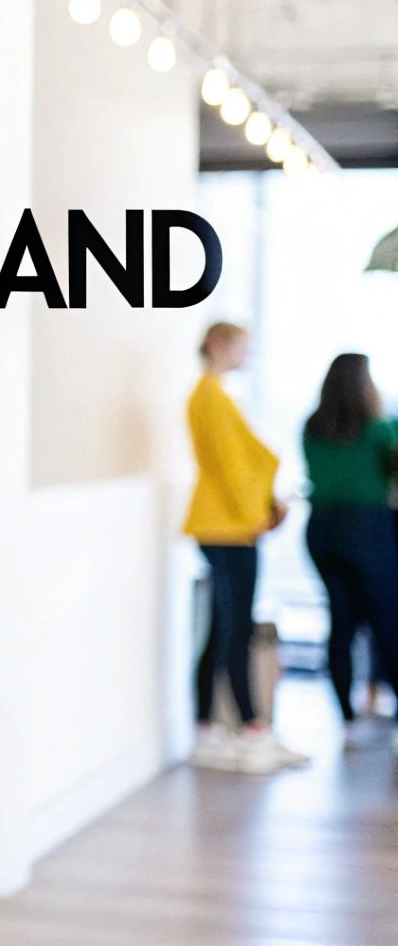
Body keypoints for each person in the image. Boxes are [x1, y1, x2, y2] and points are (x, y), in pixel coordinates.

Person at [182, 322, 307, 773]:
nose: (246, 357)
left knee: (221, 628)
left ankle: (212, 730)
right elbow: (231, 467)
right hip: (230, 527)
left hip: (227, 524)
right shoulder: (210, 397)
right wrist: (260, 514)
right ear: (218, 345)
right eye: (241, 348)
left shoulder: (213, 396)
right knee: (234, 628)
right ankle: (253, 728)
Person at [300, 353, 398, 747]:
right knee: (386, 620)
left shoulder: (311, 426)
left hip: (322, 529)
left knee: (340, 621)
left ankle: (344, 712)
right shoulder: (378, 428)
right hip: (366, 528)